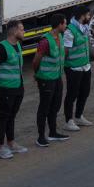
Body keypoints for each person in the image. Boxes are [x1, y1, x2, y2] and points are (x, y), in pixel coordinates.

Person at [0, 20, 29, 160]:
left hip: (18, 87)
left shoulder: (18, 44)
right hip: (4, 88)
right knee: (3, 116)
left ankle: (11, 143)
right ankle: (0, 148)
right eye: (22, 29)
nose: (24, 32)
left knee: (12, 116)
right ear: (13, 31)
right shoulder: (2, 48)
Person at [33, 13, 69, 147]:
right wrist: (37, 75)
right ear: (59, 25)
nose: (66, 26)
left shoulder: (60, 36)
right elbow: (36, 61)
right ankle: (41, 136)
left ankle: (53, 132)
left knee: (55, 105)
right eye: (64, 23)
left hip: (57, 77)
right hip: (46, 79)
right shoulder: (45, 41)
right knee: (44, 107)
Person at [62, 5, 94, 132]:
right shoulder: (70, 31)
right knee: (72, 94)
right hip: (73, 68)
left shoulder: (84, 28)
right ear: (81, 16)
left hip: (85, 66)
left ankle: (79, 116)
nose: (89, 17)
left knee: (85, 92)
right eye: (87, 15)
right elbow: (65, 51)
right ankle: (68, 121)